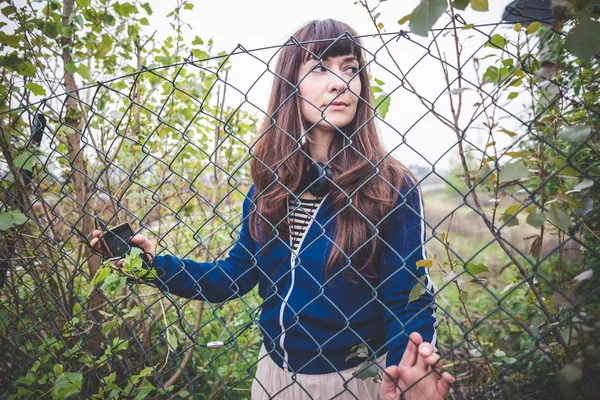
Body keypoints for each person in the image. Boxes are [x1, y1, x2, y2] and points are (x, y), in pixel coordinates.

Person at [90, 19, 454, 400]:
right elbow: (233, 276)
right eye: (319, 68)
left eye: (351, 68)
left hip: (354, 378)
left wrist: (406, 371)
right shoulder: (269, 188)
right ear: (289, 86)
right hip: (273, 376)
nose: (341, 81)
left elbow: (407, 297)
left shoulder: (389, 186)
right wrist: (152, 267)